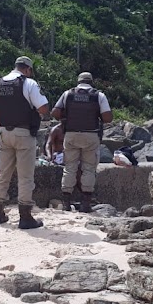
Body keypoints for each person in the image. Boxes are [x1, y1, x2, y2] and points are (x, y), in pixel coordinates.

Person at [0, 56, 50, 229]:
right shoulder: (29, 83)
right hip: (23, 133)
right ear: (28, 69)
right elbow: (44, 107)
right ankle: (25, 216)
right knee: (25, 176)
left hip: (4, 133)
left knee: (4, 174)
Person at [51, 72, 113, 213]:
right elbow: (108, 117)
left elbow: (54, 112)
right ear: (91, 82)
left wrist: (67, 116)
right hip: (91, 135)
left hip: (71, 134)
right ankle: (85, 203)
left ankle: (66, 202)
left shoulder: (68, 94)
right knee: (89, 168)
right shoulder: (99, 96)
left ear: (78, 82)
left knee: (70, 167)